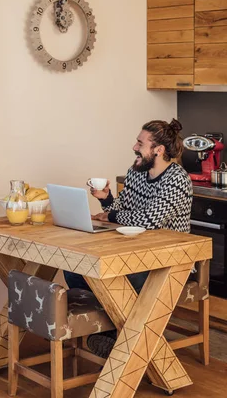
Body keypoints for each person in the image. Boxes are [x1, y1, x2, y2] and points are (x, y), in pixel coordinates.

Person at [64, 118, 193, 358]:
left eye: (140, 143)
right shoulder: (136, 172)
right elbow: (122, 210)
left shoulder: (176, 179)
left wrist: (112, 213)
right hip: (135, 253)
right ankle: (118, 331)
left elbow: (151, 221)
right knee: (74, 270)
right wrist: (106, 199)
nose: (134, 147)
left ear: (158, 150)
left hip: (169, 262)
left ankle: (123, 339)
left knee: (110, 277)